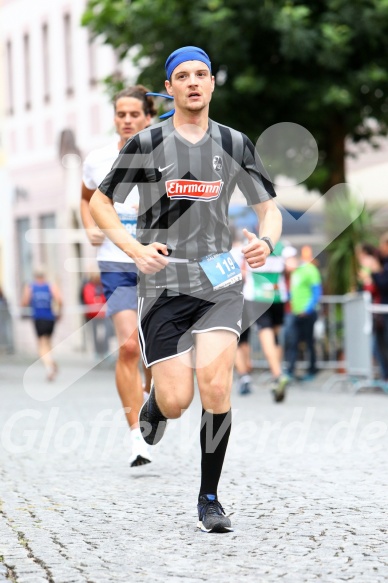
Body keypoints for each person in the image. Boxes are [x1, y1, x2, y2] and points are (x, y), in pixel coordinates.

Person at [89, 46, 282, 533]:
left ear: (212, 84)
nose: (194, 82)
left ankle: (210, 498)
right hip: (163, 282)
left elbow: (269, 209)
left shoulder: (235, 143)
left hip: (219, 278)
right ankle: (156, 404)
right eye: (183, 76)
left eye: (202, 74)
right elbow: (100, 203)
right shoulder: (148, 142)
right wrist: (134, 250)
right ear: (169, 88)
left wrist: (266, 241)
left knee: (216, 385)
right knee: (176, 400)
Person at [80, 86, 156, 467]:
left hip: (157, 263)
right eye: (120, 114)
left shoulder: (164, 153)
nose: (126, 120)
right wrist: (89, 225)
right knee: (128, 346)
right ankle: (136, 437)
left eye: (133, 114)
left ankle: (154, 396)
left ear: (148, 116)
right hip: (116, 263)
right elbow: (86, 197)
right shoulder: (98, 159)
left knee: (152, 350)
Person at [242, 239, 289, 402]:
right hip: (278, 296)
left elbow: (241, 269)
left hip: (257, 295)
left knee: (265, 333)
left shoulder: (249, 243)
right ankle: (277, 374)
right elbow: (291, 265)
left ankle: (277, 374)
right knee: (276, 337)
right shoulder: (283, 245)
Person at [286, 246, 322, 381]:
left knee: (309, 343)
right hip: (296, 313)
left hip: (308, 314)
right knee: (293, 342)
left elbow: (317, 291)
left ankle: (312, 370)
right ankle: (290, 371)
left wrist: (307, 309)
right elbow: (294, 292)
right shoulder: (296, 272)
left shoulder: (310, 270)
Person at [21, 268, 62, 381]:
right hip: (50, 318)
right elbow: (59, 299)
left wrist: (24, 309)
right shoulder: (50, 286)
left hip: (39, 318)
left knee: (41, 345)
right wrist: (59, 312)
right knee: (48, 342)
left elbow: (24, 301)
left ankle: (49, 365)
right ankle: (51, 360)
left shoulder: (31, 287)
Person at [81, 272, 110, 359]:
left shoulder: (103, 286)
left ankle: (105, 350)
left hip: (104, 314)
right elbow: (88, 299)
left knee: (106, 333)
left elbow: (106, 298)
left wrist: (99, 301)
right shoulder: (88, 287)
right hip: (92, 315)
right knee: (95, 334)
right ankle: (97, 352)